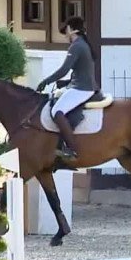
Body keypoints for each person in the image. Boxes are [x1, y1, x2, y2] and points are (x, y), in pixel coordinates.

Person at [36, 16, 98, 159]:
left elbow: (64, 69)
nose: (65, 35)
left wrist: (46, 81)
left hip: (82, 88)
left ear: (72, 30)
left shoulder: (76, 46)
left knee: (57, 111)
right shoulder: (82, 44)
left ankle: (71, 148)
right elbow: (78, 71)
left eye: (66, 31)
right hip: (79, 85)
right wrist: (64, 83)